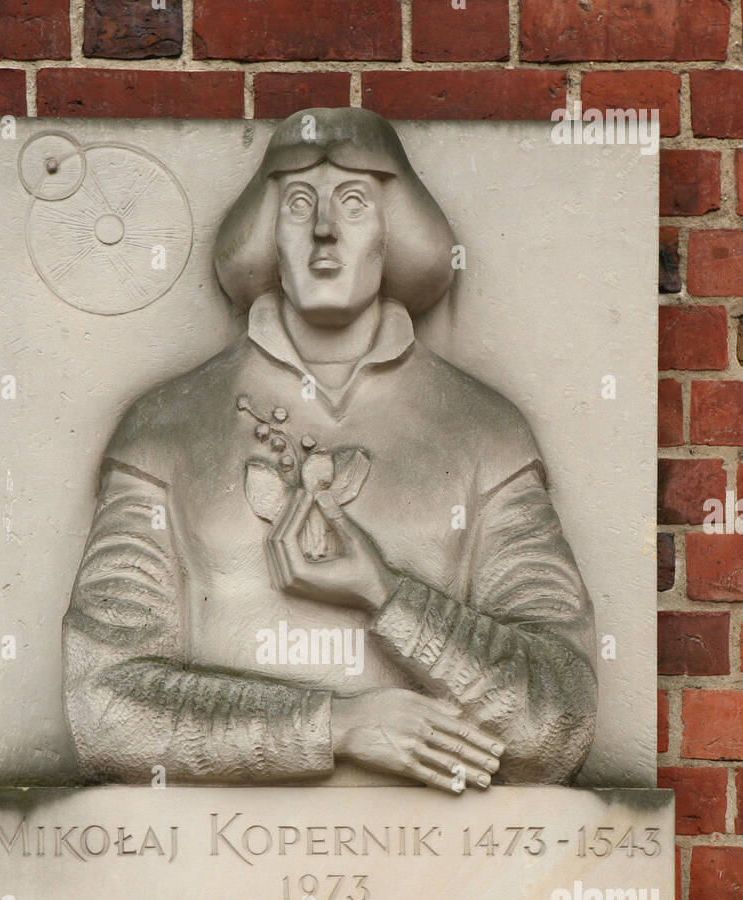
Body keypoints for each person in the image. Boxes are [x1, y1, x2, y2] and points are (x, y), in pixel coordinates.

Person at [63, 107, 597, 791]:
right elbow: (103, 707)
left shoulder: (484, 432)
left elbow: (559, 718)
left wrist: (386, 595)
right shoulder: (165, 428)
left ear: (392, 232)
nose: (323, 231)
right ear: (267, 235)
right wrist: (336, 727)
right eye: (296, 206)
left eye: (353, 202)